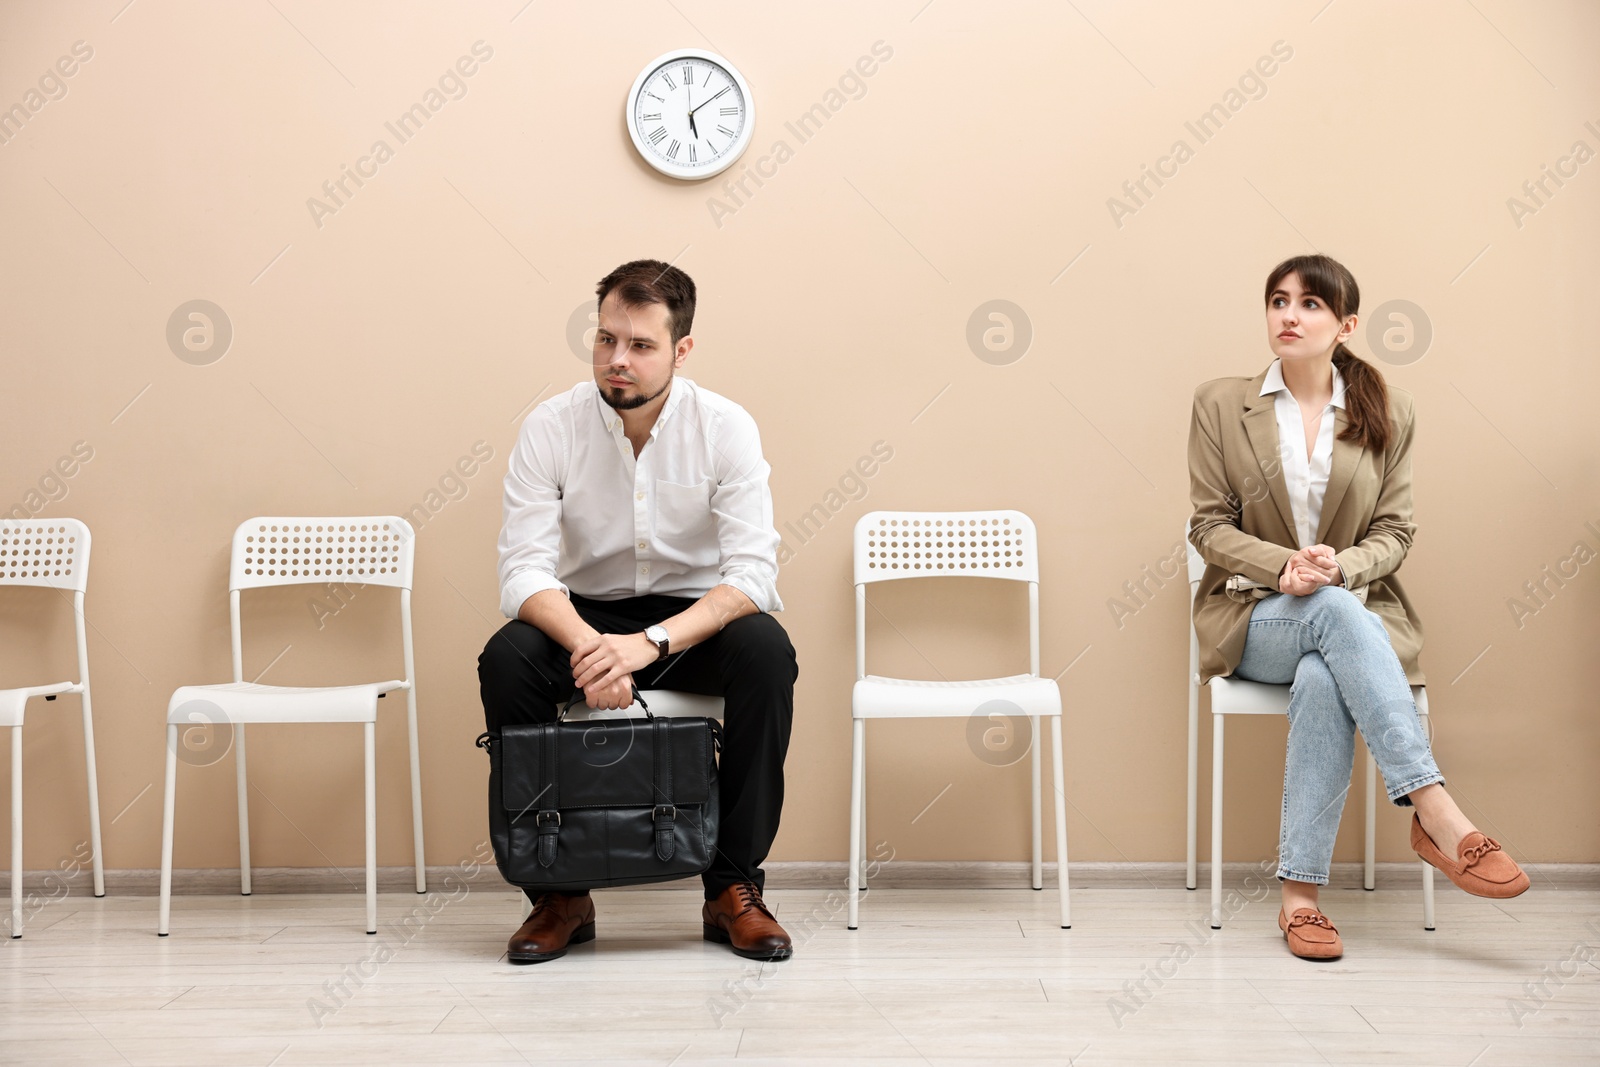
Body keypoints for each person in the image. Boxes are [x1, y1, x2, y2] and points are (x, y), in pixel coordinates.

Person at [1187, 253, 1528, 961]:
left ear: (1344, 324)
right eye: (1278, 300)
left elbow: (1395, 532)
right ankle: (1434, 809)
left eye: (1310, 305)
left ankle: (1300, 898)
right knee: (1333, 615)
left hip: (1347, 616)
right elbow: (1207, 527)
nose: (1289, 315)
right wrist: (1283, 566)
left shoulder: (1389, 408)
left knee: (1324, 665)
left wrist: (1341, 564)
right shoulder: (1220, 403)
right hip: (1255, 617)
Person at [479, 259, 798, 964]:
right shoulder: (550, 425)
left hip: (690, 619)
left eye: (641, 345)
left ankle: (731, 887)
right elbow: (524, 570)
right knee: (507, 659)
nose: (616, 360)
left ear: (681, 350)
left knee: (767, 652)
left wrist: (646, 644)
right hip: (583, 613)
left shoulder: (726, 427)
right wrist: (595, 645)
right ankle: (558, 892)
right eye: (605, 339)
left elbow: (751, 576)